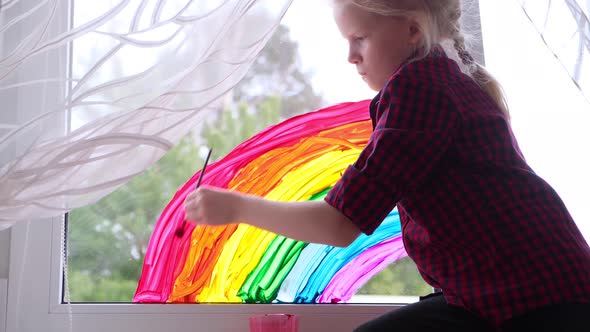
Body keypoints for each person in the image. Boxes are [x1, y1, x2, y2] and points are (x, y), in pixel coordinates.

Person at [184, 0, 590, 330]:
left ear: (412, 29)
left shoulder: (420, 87)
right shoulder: (444, 78)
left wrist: (236, 208)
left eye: (359, 38)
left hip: (538, 300)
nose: (350, 56)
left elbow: (339, 224)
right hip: (515, 291)